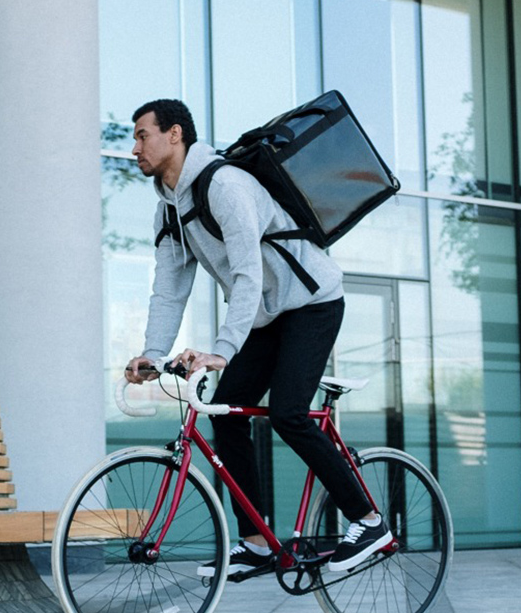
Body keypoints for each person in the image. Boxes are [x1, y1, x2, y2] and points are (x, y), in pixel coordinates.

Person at [124, 98, 391, 576]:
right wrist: (152, 354)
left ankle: (369, 520)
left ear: (175, 134)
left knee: (289, 412)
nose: (135, 147)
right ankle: (257, 542)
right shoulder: (168, 212)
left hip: (312, 304)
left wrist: (222, 351)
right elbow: (168, 291)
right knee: (227, 415)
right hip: (268, 317)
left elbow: (247, 274)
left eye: (143, 135)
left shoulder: (225, 185)